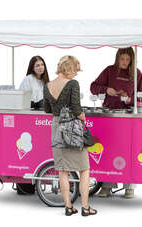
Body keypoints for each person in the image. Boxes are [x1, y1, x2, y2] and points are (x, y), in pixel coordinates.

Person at [44, 55, 97, 216]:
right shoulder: (73, 83)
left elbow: (47, 109)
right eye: (75, 70)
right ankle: (86, 207)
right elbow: (76, 108)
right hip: (72, 128)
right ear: (70, 68)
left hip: (56, 128)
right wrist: (82, 116)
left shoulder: (48, 85)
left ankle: (68, 207)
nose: (76, 74)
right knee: (84, 169)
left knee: (63, 170)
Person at [90, 47, 142, 198]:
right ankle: (107, 185)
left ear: (132, 59)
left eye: (128, 60)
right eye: (122, 59)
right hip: (109, 114)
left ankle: (130, 186)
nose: (125, 62)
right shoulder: (109, 71)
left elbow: (140, 97)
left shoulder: (137, 74)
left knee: (129, 150)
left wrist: (129, 99)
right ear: (117, 58)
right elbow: (93, 87)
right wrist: (106, 90)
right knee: (107, 149)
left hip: (128, 116)